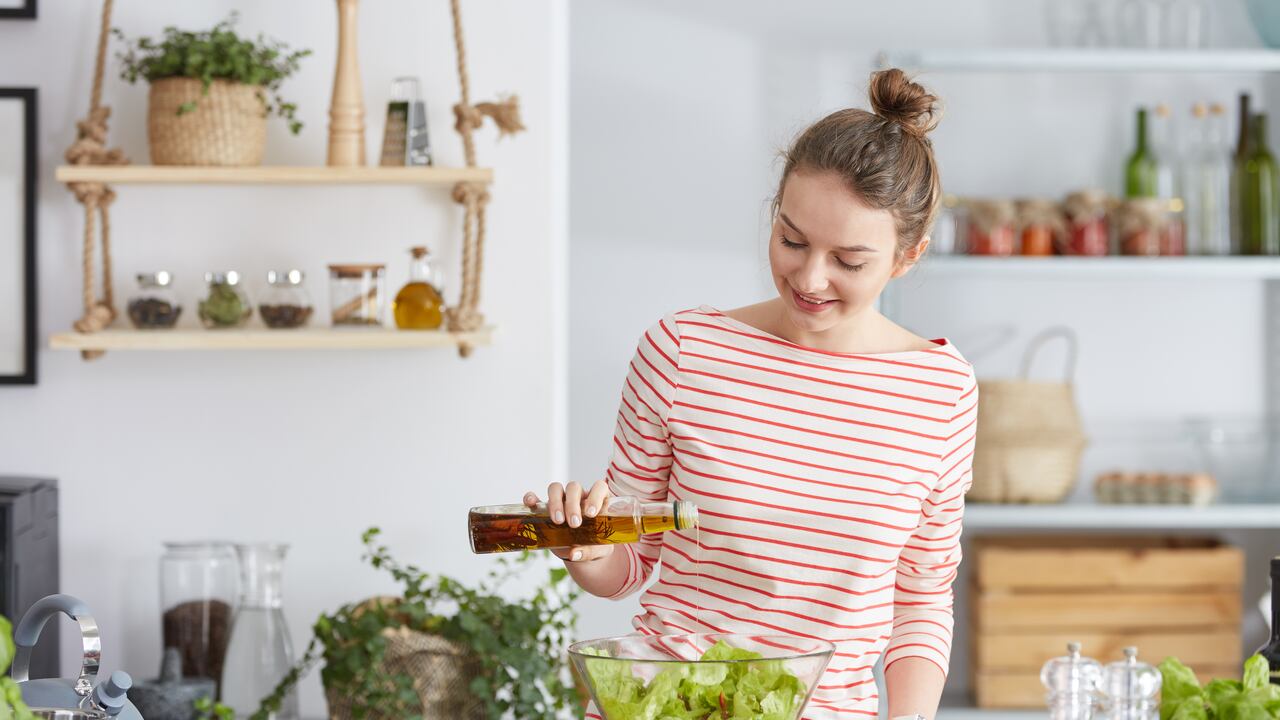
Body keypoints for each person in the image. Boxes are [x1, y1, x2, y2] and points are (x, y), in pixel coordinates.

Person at [525, 68, 978, 719]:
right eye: (792, 239)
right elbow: (626, 565)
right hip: (663, 704)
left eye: (849, 261)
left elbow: (924, 596)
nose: (811, 277)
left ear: (908, 258)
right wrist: (586, 550)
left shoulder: (941, 390)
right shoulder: (682, 352)